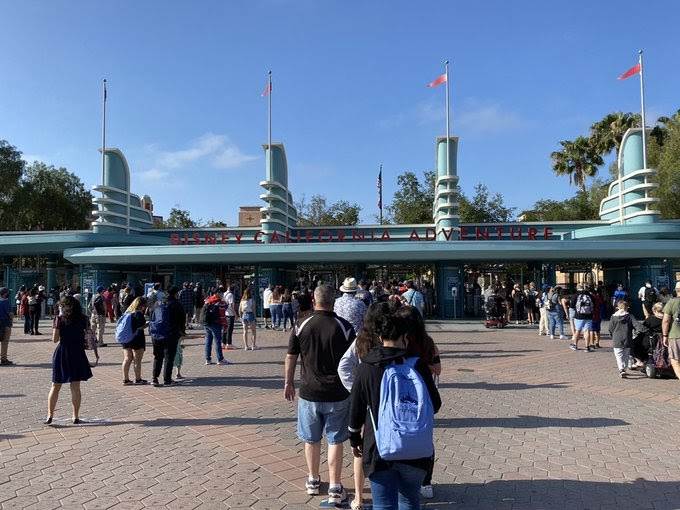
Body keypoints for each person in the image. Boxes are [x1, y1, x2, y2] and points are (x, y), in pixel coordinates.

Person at [348, 305, 441, 510]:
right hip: (415, 448)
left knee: (383, 504)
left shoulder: (367, 367)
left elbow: (355, 411)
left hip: (379, 447)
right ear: (405, 337)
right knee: (409, 501)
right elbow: (436, 405)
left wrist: (354, 438)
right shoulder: (418, 366)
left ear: (380, 337)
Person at [284, 285, 355, 505]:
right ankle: (335, 486)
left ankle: (313, 480)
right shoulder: (345, 327)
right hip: (338, 393)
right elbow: (354, 361)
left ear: (314, 301)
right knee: (335, 440)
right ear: (333, 302)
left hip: (309, 392)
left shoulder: (301, 325)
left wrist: (288, 382)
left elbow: (291, 356)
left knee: (311, 439)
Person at [338, 302, 386, 510]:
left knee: (360, 450)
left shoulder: (361, 340)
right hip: (387, 403)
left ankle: (358, 497)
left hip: (366, 404)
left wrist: (356, 390)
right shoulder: (394, 340)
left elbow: (343, 367)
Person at [395, 305, 442, 500]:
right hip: (424, 396)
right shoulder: (427, 341)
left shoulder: (397, 341)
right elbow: (437, 369)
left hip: (400, 396)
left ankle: (400, 480)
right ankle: (426, 482)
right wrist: (426, 365)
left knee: (400, 435)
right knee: (425, 440)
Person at [46, 296, 93, 425]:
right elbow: (89, 336)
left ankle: (50, 415)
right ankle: (75, 416)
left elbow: (55, 339)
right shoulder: (83, 318)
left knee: (55, 385)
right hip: (78, 352)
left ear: (63, 306)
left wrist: (58, 322)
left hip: (63, 352)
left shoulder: (59, 319)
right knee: (75, 386)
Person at [150, 286, 185, 387]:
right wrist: (182, 332)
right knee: (169, 357)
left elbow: (151, 316)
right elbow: (182, 319)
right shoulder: (176, 304)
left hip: (156, 334)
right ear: (176, 294)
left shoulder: (158, 303)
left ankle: (155, 378)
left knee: (158, 357)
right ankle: (167, 379)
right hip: (171, 334)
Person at [120, 297, 149, 385]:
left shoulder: (127, 312)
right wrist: (148, 324)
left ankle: (125, 379)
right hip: (137, 338)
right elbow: (140, 326)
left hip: (126, 338)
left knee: (127, 358)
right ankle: (138, 379)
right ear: (142, 305)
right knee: (137, 360)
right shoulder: (138, 313)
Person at [609, 300, 638, 378]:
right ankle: (624, 369)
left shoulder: (613, 317)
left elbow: (610, 329)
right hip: (627, 339)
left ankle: (621, 369)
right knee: (626, 356)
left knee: (619, 356)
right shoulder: (630, 316)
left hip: (616, 339)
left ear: (618, 307)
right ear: (627, 307)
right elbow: (636, 325)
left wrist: (612, 336)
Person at [203, 294, 229, 365]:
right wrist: (225, 326)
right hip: (215, 324)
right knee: (217, 342)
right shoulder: (220, 304)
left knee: (208, 342)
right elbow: (226, 308)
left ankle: (208, 359)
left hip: (207, 323)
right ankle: (220, 359)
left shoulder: (208, 302)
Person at [661, 282, 680, 382]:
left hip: (675, 335)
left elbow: (666, 321)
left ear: (676, 290)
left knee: (675, 360)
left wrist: (665, 335)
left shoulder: (671, 302)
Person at [569, 284, 594, 351]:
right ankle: (587, 347)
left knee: (578, 330)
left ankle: (575, 345)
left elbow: (571, 305)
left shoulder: (576, 295)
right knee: (587, 331)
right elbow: (594, 304)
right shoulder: (590, 295)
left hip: (579, 316)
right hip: (589, 315)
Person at [0, 288, 14, 365]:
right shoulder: (6, 302)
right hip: (5, 324)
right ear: (5, 294)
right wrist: (12, 320)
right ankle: (3, 359)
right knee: (4, 342)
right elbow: (10, 314)